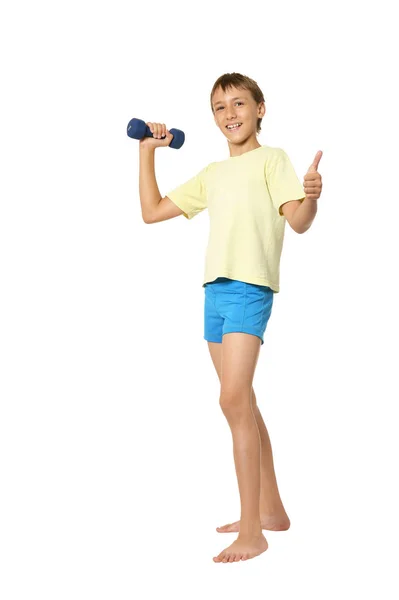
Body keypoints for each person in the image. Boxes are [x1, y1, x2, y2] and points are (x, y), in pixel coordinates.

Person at [138, 72, 323, 563]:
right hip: (214, 292)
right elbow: (151, 211)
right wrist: (147, 153)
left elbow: (298, 222)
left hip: (249, 287)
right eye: (220, 107)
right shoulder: (212, 175)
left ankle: (251, 532)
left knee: (233, 399)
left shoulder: (273, 160)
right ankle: (271, 512)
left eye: (239, 103)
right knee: (244, 403)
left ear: (260, 108)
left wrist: (312, 197)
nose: (230, 114)